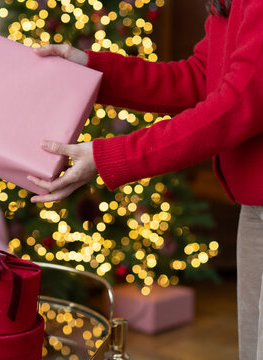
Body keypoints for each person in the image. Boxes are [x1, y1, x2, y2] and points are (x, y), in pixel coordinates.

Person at [27, 0, 263, 358]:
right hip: (255, 207)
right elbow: (202, 76)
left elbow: (240, 102)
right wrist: (91, 69)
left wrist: (112, 157)